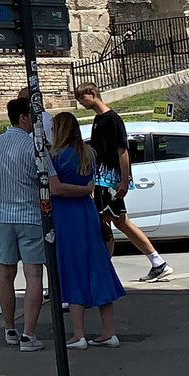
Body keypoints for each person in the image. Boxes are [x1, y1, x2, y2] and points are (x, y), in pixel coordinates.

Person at [72, 82, 171, 282]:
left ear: (93, 94)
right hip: (102, 179)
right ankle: (155, 262)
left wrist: (124, 181)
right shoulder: (99, 119)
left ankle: (104, 271)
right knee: (113, 221)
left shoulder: (112, 119)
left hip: (108, 180)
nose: (80, 103)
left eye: (82, 98)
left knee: (108, 221)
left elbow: (122, 151)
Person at [49, 113, 125, 349]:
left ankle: (78, 334)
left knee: (72, 269)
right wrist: (83, 190)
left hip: (65, 216)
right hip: (87, 213)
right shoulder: (88, 154)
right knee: (97, 265)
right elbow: (90, 186)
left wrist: (71, 190)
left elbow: (55, 188)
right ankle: (108, 331)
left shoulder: (53, 157)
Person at [0, 98, 48, 352]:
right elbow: (46, 182)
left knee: (5, 275)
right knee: (33, 276)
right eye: (34, 116)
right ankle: (28, 334)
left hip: (0, 217)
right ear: (23, 117)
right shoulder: (34, 146)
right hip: (29, 216)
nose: (37, 121)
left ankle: (9, 328)